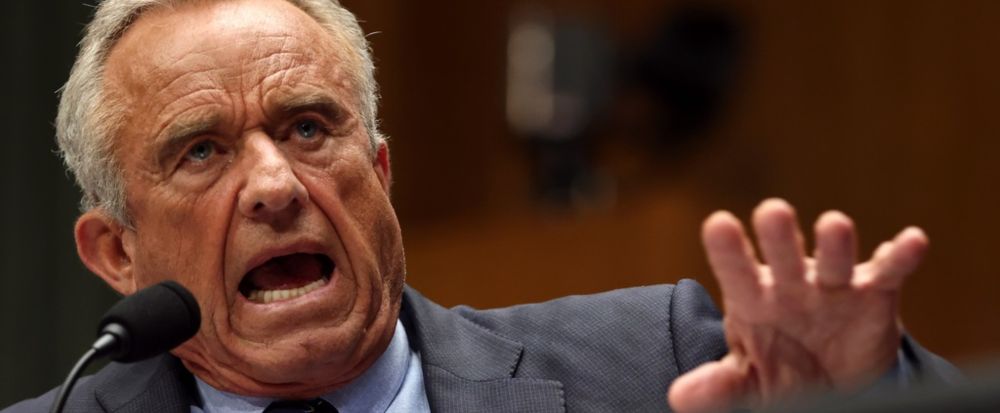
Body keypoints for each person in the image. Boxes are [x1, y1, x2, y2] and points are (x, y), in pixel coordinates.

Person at [3, 0, 959, 412]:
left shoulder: (659, 361)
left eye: (308, 127)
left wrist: (866, 398)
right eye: (202, 151)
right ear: (116, 252)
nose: (276, 185)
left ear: (379, 172)